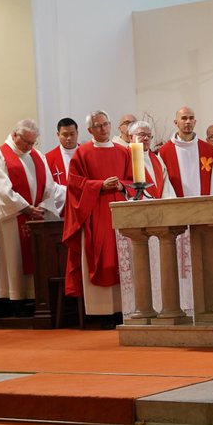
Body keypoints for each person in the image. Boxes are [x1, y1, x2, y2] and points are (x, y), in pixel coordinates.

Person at [62, 110, 133, 322]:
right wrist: (99, 185)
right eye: (98, 126)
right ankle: (102, 313)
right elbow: (74, 185)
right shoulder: (82, 153)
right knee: (100, 258)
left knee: (122, 259)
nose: (103, 129)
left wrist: (121, 185)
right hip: (95, 214)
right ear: (90, 130)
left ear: (111, 125)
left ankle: (125, 309)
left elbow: (132, 180)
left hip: (120, 212)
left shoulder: (124, 152)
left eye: (105, 124)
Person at [0, 119, 66, 308]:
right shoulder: (0, 156)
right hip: (15, 217)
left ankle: (37, 297)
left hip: (37, 216)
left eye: (33, 142)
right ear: (15, 135)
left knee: (36, 256)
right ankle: (17, 300)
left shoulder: (37, 155)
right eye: (27, 142)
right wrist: (25, 208)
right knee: (15, 258)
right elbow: (1, 189)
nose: (30, 147)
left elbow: (49, 186)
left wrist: (43, 207)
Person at [158, 106, 213, 197]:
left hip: (204, 206)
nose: (188, 121)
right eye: (184, 118)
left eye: (191, 118)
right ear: (176, 123)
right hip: (177, 206)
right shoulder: (165, 151)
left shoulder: (207, 149)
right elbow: (164, 185)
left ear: (195, 122)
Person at [128, 120, 176, 199]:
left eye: (149, 135)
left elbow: (166, 188)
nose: (146, 138)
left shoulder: (158, 160)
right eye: (142, 135)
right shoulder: (126, 157)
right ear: (130, 137)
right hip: (137, 206)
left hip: (158, 207)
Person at [45, 118, 79, 186]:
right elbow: (48, 186)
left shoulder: (87, 153)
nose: (69, 138)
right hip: (62, 196)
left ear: (77, 133)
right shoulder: (48, 158)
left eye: (72, 134)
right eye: (65, 135)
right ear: (58, 135)